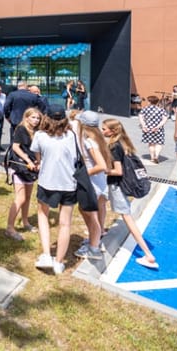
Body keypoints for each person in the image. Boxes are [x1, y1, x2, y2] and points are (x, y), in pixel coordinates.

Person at [101, 118, 159, 269]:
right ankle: (100, 230)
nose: (102, 131)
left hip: (117, 185)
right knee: (100, 200)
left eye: (104, 129)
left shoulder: (114, 146)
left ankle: (148, 255)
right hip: (120, 184)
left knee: (127, 217)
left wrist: (102, 169)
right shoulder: (124, 142)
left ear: (112, 131)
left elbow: (118, 171)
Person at [31, 104, 76, 275]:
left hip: (47, 181)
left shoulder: (40, 136)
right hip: (69, 182)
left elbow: (38, 157)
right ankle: (59, 262)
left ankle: (47, 255)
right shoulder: (71, 135)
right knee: (65, 223)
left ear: (46, 118)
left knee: (43, 216)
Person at [73, 111, 107, 261]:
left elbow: (101, 165)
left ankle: (94, 248)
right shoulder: (97, 138)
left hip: (92, 183)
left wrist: (83, 174)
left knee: (91, 215)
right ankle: (94, 240)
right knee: (87, 211)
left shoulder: (89, 142)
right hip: (97, 182)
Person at [5, 107, 41, 241]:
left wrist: (38, 161)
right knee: (20, 198)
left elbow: (37, 149)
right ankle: (9, 227)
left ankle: (25, 222)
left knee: (28, 196)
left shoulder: (37, 131)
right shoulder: (21, 129)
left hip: (31, 167)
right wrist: (27, 160)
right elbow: (15, 147)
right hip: (20, 166)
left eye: (38, 118)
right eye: (33, 117)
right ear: (26, 117)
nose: (36, 120)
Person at [138, 95, 168, 164]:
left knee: (151, 143)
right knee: (159, 143)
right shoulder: (161, 110)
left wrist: (144, 126)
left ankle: (152, 158)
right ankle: (156, 156)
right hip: (158, 129)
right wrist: (158, 126)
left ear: (149, 102)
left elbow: (141, 117)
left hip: (148, 128)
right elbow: (165, 119)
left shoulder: (145, 109)